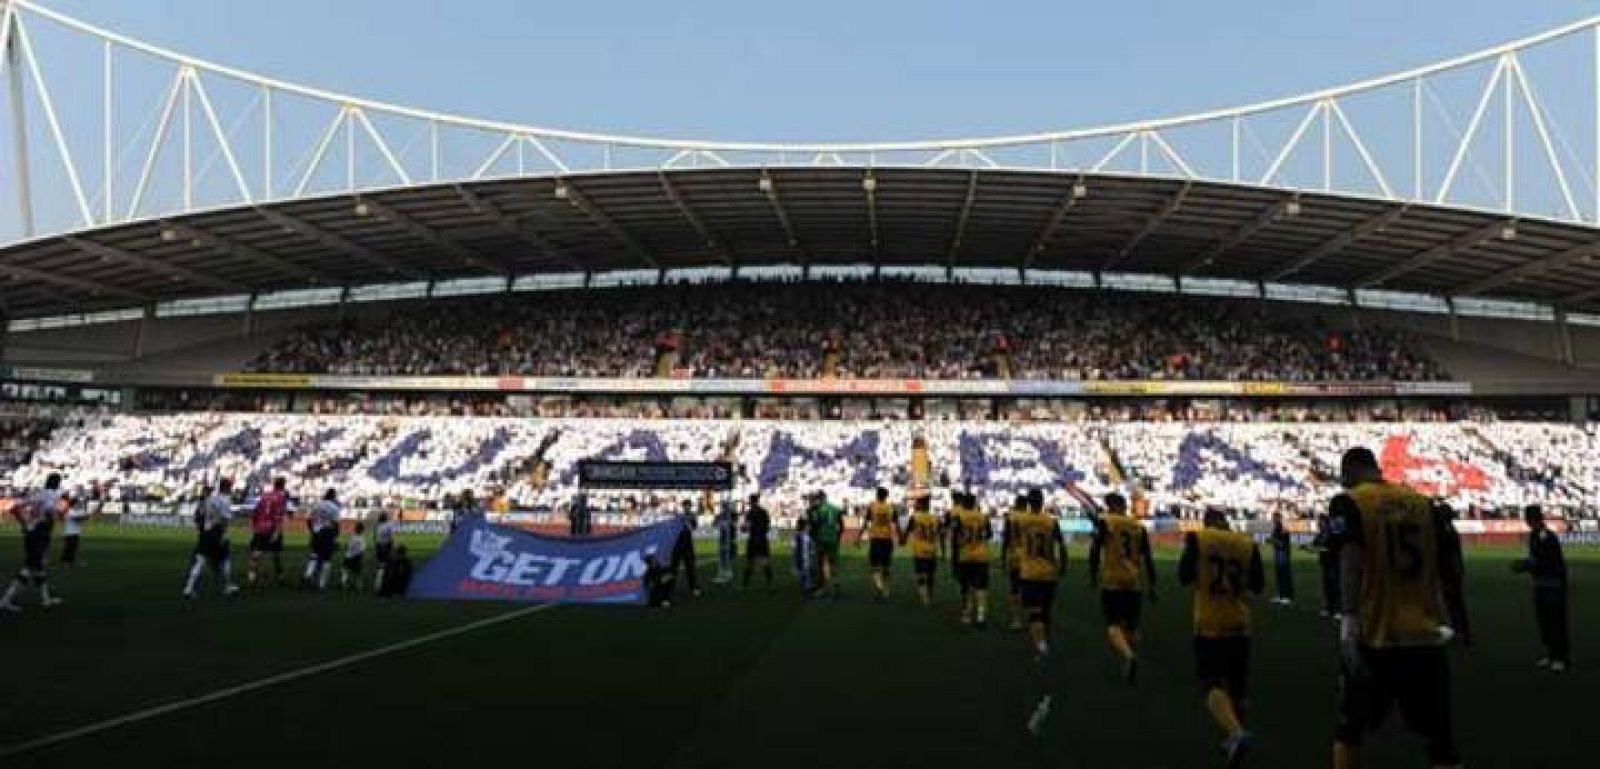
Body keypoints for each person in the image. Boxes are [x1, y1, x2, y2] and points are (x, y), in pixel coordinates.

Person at [1330, 447, 1469, 769]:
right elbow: (1451, 568)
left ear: (1349, 472)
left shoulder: (1350, 501)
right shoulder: (1423, 503)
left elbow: (1349, 562)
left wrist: (1347, 621)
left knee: (1349, 729)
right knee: (1441, 740)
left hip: (1377, 636)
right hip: (1425, 635)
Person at [1178, 508, 1264, 768]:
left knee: (1211, 684)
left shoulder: (1200, 540)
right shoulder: (1246, 543)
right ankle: (1234, 738)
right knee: (1238, 687)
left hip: (1209, 622)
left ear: (1206, 522)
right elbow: (1258, 586)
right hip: (1239, 622)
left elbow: (1184, 577)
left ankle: (1236, 733)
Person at [1087, 492, 1157, 683]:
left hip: (1112, 579)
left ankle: (1128, 656)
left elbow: (1095, 550)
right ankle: (1131, 658)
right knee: (1132, 626)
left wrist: (1093, 574)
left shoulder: (1107, 522)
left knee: (1112, 624)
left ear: (1110, 505)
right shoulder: (1138, 526)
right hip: (1134, 582)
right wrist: (1152, 585)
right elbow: (1147, 558)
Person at [1018, 487, 1068, 736]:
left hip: (1030, 572)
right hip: (1049, 573)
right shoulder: (1051, 522)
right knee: (1046, 612)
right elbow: (1061, 546)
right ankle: (1044, 644)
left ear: (1029, 503)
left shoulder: (1022, 519)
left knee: (1034, 614)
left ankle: (1041, 648)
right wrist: (1063, 566)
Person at [1512, 505, 1569, 673]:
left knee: (1555, 622)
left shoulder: (1545, 536)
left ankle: (1560, 657)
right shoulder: (1535, 536)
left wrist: (1526, 566)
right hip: (1541, 583)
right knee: (1544, 621)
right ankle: (1551, 654)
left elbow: (1546, 561)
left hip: (1552, 584)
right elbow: (1535, 558)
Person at [1, 472, 67, 612]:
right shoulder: (52, 495)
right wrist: (58, 516)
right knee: (31, 567)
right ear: (56, 483)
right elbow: (49, 512)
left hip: (32, 532)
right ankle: (6, 599)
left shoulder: (39, 493)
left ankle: (46, 599)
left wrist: (24, 523)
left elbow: (13, 506)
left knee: (39, 566)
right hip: (40, 533)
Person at [182, 479, 240, 599]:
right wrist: (224, 534)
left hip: (206, 533)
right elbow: (226, 519)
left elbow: (201, 514)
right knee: (225, 560)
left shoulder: (210, 499)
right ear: (228, 488)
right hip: (218, 532)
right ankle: (227, 586)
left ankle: (188, 588)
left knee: (200, 562)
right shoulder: (226, 501)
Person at [950, 491, 993, 627]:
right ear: (974, 503)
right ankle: (980, 615)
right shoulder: (983, 516)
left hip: (965, 555)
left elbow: (955, 537)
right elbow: (989, 534)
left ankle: (967, 615)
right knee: (981, 587)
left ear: (963, 503)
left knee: (966, 587)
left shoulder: (959, 516)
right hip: (981, 555)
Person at [858, 487, 903, 602]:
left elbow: (866, 522)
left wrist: (859, 536)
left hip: (876, 538)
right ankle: (886, 591)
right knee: (886, 566)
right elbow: (897, 524)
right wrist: (901, 537)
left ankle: (879, 587)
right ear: (886, 496)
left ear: (877, 495)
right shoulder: (891, 508)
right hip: (887, 539)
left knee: (874, 567)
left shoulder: (872, 507)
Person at [247, 477, 290, 587]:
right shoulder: (282, 497)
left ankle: (251, 577)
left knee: (256, 553)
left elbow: (256, 511)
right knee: (276, 554)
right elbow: (278, 515)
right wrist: (277, 531)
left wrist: (254, 526)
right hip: (271, 528)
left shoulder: (265, 495)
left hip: (260, 527)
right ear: (283, 485)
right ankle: (280, 577)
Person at [902, 495, 943, 606]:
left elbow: (907, 531)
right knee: (930, 574)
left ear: (921, 505)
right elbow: (940, 533)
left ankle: (925, 599)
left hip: (919, 549)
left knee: (920, 574)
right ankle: (929, 594)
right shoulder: (935, 518)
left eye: (918, 503)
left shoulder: (915, 517)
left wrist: (903, 540)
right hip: (932, 549)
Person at [807, 491, 844, 600]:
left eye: (817, 498)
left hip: (821, 539)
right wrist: (837, 537)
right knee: (833, 564)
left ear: (820, 498)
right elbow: (842, 526)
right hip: (832, 540)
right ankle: (836, 586)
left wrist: (813, 537)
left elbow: (814, 525)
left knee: (820, 564)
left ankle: (822, 589)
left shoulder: (818, 510)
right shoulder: (835, 509)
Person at [1304, 513, 1342, 618]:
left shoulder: (1332, 533)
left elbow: (1332, 549)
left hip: (1333, 563)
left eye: (1319, 521)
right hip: (1325, 563)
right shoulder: (1321, 534)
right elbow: (1315, 544)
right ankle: (1330, 608)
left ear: (1325, 522)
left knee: (1335, 586)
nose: (1318, 523)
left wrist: (1318, 548)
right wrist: (1307, 547)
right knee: (1327, 586)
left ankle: (1338, 609)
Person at [303, 489, 341, 591]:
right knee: (327, 559)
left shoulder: (317, 505)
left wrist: (312, 530)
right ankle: (321, 583)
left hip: (316, 532)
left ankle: (308, 574)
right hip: (328, 533)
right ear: (333, 496)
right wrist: (336, 537)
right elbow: (336, 524)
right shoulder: (334, 507)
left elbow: (309, 520)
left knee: (314, 555)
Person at [670, 499, 700, 599]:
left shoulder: (692, 516)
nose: (686, 507)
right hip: (678, 544)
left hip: (687, 545)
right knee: (673, 567)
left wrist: (686, 521)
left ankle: (693, 588)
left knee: (690, 568)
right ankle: (670, 587)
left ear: (690, 506)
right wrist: (678, 518)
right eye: (685, 505)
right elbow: (673, 529)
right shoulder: (679, 516)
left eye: (688, 505)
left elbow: (693, 528)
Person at [743, 494, 773, 590]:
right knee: (765, 563)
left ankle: (745, 584)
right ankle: (770, 584)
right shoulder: (764, 512)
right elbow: (768, 527)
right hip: (762, 539)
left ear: (751, 501)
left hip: (753, 540)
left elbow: (745, 528)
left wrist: (744, 528)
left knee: (750, 563)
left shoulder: (750, 513)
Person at [1268, 512, 1294, 606]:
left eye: (1275, 517)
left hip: (1283, 553)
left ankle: (1287, 596)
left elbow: (1283, 543)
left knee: (1284, 574)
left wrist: (1274, 540)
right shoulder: (1276, 528)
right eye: (1273, 517)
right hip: (1278, 553)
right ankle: (1281, 594)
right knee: (1279, 574)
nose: (1273, 519)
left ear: (1279, 518)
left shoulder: (1282, 528)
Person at [59, 490, 89, 569]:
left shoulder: (79, 511)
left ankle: (70, 561)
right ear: (73, 504)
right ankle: (65, 562)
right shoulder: (70, 511)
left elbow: (84, 517)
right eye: (77, 503)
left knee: (73, 548)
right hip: (69, 533)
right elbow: (78, 519)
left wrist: (85, 517)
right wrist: (84, 517)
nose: (79, 504)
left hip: (76, 532)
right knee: (68, 548)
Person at [713, 497, 737, 585]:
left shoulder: (733, 514)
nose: (724, 507)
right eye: (723, 505)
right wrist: (720, 523)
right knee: (722, 554)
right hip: (722, 537)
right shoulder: (720, 515)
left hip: (730, 537)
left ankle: (728, 572)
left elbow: (734, 523)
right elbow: (714, 523)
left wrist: (727, 522)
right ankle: (722, 572)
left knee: (729, 555)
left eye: (726, 505)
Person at [372, 511, 397, 593]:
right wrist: (392, 547)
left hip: (379, 546)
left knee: (380, 565)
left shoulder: (377, 525)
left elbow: (374, 538)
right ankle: (385, 585)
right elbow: (391, 537)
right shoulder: (389, 525)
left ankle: (377, 584)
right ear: (386, 518)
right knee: (388, 566)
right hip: (386, 546)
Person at [793, 516, 816, 597]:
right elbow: (795, 550)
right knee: (804, 576)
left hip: (807, 559)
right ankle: (806, 591)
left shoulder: (806, 536)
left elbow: (811, 547)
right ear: (804, 526)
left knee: (807, 575)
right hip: (803, 560)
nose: (809, 527)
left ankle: (807, 590)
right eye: (807, 525)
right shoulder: (798, 536)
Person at [341, 521, 367, 591]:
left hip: (348, 556)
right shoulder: (361, 539)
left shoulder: (352, 536)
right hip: (356, 557)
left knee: (345, 569)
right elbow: (362, 550)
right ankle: (357, 585)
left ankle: (344, 583)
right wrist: (362, 559)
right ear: (362, 530)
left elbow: (348, 546)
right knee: (357, 572)